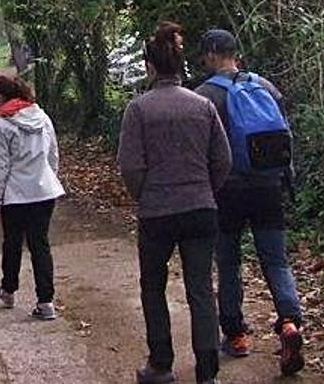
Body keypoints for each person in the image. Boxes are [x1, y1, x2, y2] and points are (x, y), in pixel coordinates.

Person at [117, 22, 232, 384]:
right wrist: (205, 190)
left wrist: (147, 194)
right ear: (181, 65)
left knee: (153, 286)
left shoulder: (139, 110)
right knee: (200, 288)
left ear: (150, 68)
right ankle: (207, 371)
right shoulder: (202, 105)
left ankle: (161, 363)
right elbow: (223, 159)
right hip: (200, 208)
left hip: (157, 212)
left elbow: (130, 166)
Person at [194, 29, 305, 376]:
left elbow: (203, 152)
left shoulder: (206, 95)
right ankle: (289, 323)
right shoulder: (267, 87)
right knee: (276, 260)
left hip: (228, 191)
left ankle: (237, 334)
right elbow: (286, 136)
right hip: (269, 188)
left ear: (212, 54)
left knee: (228, 262)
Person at [0, 76, 65, 319]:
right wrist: (49, 178)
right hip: (43, 191)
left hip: (15, 194)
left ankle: (9, 290)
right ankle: (46, 302)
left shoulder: (2, 125)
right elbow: (53, 154)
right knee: (40, 244)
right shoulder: (42, 116)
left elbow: (0, 167)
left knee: (13, 243)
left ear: (0, 98)